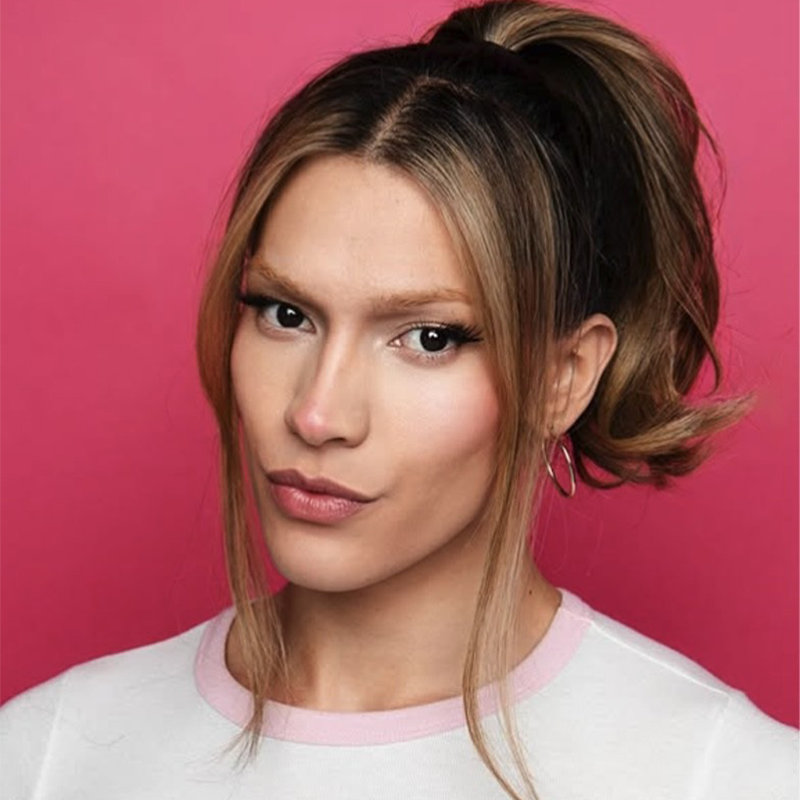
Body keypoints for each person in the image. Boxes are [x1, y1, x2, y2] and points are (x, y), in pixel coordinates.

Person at [1, 0, 797, 797]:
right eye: (287, 315)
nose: (317, 415)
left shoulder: (722, 773)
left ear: (565, 376)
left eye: (427, 338)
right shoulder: (47, 756)